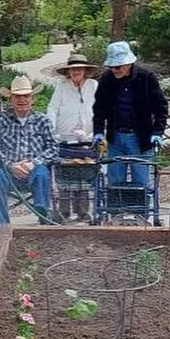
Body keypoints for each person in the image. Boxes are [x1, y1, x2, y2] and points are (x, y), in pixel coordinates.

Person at [92, 39, 168, 193]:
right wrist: (98, 131)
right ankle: (116, 215)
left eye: (118, 66)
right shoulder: (107, 79)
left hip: (139, 139)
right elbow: (99, 108)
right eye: (112, 67)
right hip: (115, 138)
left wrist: (157, 132)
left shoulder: (146, 78)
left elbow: (161, 108)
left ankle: (141, 215)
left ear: (128, 63)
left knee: (141, 184)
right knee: (115, 184)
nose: (115, 70)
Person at [0, 75, 57, 225]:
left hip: (34, 172)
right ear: (11, 100)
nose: (22, 100)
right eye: (17, 96)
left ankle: (43, 213)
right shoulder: (1, 120)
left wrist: (33, 163)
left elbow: (53, 148)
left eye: (26, 96)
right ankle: (0, 226)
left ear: (33, 99)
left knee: (42, 172)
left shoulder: (43, 121)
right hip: (8, 173)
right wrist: (11, 165)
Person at [46, 52, 98, 222]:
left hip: (87, 137)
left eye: (79, 69)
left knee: (83, 174)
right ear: (68, 71)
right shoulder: (61, 87)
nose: (76, 72)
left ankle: (83, 212)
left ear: (85, 70)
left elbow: (100, 109)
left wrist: (95, 132)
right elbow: (52, 109)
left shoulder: (93, 85)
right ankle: (63, 212)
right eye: (73, 69)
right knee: (64, 173)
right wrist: (51, 129)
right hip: (64, 136)